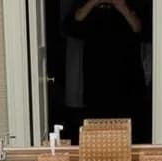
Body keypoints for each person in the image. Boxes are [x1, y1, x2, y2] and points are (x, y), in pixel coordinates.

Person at [63, 0, 152, 143]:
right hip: (96, 78)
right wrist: (92, 3)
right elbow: (70, 28)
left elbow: (141, 30)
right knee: (98, 132)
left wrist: (121, 5)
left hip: (128, 77)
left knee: (130, 131)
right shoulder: (87, 3)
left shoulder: (133, 3)